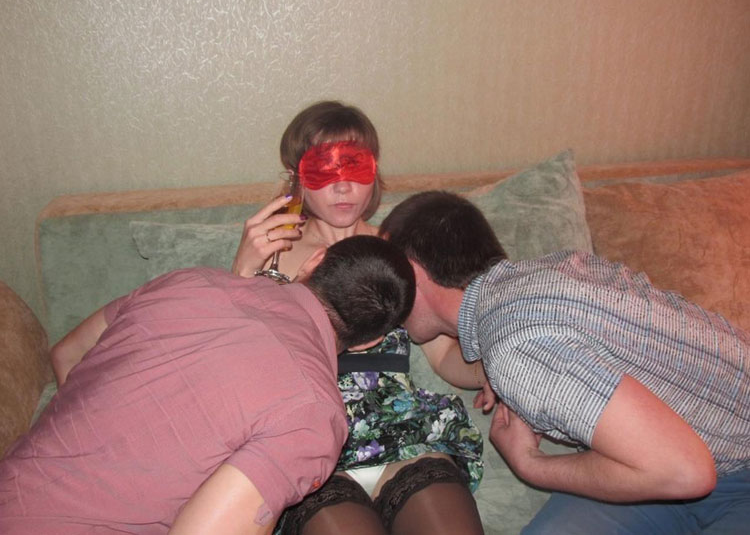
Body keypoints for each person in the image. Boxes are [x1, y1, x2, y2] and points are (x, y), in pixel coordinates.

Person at [379, 190, 750, 534]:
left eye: (388, 275)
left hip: (727, 468)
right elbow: (449, 353)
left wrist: (531, 464)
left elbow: (686, 473)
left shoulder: (516, 346)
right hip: (659, 465)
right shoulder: (554, 271)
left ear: (411, 274)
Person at [0, 235, 415, 534]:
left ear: (314, 261)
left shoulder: (189, 281)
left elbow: (67, 354)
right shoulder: (314, 413)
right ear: (370, 341)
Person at [232, 101, 486, 535]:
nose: (343, 185)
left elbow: (444, 356)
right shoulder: (271, 253)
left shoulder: (401, 251)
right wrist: (242, 270)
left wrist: (496, 370)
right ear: (296, 176)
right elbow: (230, 364)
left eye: (355, 166)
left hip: (405, 438)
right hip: (312, 449)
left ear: (375, 171)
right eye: (325, 168)